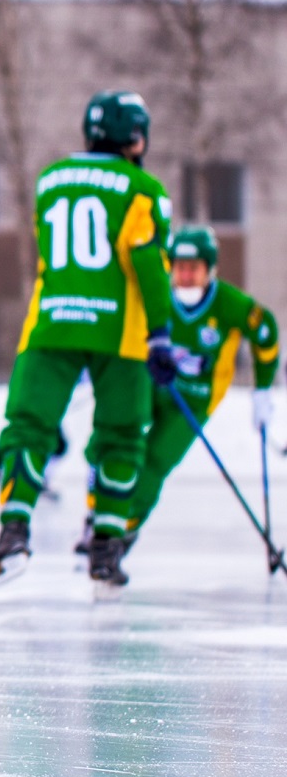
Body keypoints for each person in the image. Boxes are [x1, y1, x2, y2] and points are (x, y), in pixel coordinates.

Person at [0, 90, 174, 597]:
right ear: (136, 138)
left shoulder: (50, 181)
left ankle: (13, 533)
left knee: (28, 427)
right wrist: (161, 335)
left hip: (51, 323)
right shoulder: (144, 190)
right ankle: (105, 548)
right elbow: (147, 263)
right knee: (122, 435)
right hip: (118, 331)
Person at [73, 225, 278, 555]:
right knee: (114, 435)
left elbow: (265, 331)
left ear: (209, 270)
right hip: (152, 381)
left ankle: (125, 529)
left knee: (156, 460)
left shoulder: (227, 303)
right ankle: (97, 513)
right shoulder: (161, 298)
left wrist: (262, 391)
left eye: (193, 268)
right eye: (178, 267)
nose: (184, 276)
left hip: (195, 400)